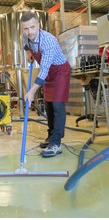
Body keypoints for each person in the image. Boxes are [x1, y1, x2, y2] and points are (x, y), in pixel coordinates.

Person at [20, 11, 70, 158]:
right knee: (48, 105)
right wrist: (29, 53)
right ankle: (51, 136)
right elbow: (26, 46)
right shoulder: (25, 36)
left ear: (38, 25)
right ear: (22, 28)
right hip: (49, 72)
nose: (29, 32)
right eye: (26, 28)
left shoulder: (48, 40)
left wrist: (31, 91)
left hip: (60, 71)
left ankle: (56, 144)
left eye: (32, 27)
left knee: (57, 106)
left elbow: (44, 69)